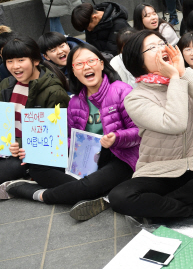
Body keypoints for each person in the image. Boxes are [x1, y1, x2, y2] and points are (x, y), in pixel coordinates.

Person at [3, 43, 140, 221]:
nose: (87, 67)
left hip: (121, 156)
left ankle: (39, 194)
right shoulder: (75, 102)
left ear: (101, 64)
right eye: (79, 64)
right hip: (87, 157)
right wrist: (43, 149)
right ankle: (95, 192)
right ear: (73, 71)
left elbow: (140, 132)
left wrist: (117, 137)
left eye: (91, 61)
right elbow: (68, 139)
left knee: (88, 185)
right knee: (37, 166)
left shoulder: (122, 90)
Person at [107, 30, 193, 218]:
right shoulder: (135, 98)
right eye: (152, 48)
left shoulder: (184, 78)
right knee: (120, 197)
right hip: (160, 168)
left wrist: (183, 73)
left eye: (162, 43)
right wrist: (176, 80)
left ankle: (162, 207)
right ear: (138, 61)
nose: (162, 48)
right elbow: (175, 124)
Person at [0, 35, 69, 192]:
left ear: (36, 61)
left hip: (29, 155)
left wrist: (21, 146)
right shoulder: (6, 84)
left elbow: (54, 136)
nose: (14, 66)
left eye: (21, 60)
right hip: (6, 147)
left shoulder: (54, 91)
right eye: (9, 61)